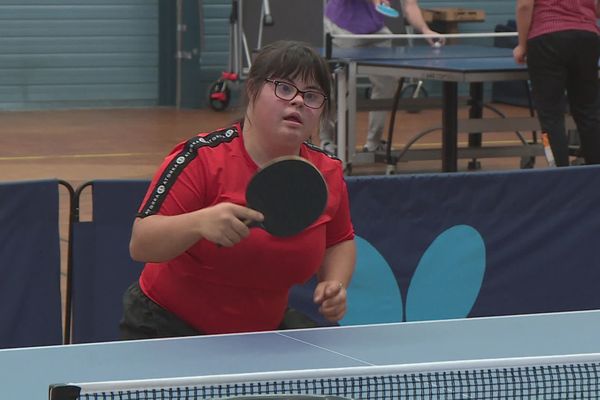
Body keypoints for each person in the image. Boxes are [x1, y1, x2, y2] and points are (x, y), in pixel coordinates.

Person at [120, 41, 356, 339]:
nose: (297, 101)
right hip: (167, 327)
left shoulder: (326, 171)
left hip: (259, 334)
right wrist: (198, 223)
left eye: (311, 96)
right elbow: (141, 243)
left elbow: (339, 240)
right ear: (252, 90)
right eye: (284, 88)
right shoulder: (202, 158)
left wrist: (335, 284)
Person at [320, 0, 444, 153]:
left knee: (386, 84)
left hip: (376, 30)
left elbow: (410, 5)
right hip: (342, 27)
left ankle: (373, 143)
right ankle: (327, 141)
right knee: (336, 86)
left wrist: (425, 30)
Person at [513, 0, 600, 166]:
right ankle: (596, 175)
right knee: (589, 113)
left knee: (550, 117)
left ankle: (558, 174)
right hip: (587, 38)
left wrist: (522, 45)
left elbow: (524, 5)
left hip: (547, 39)